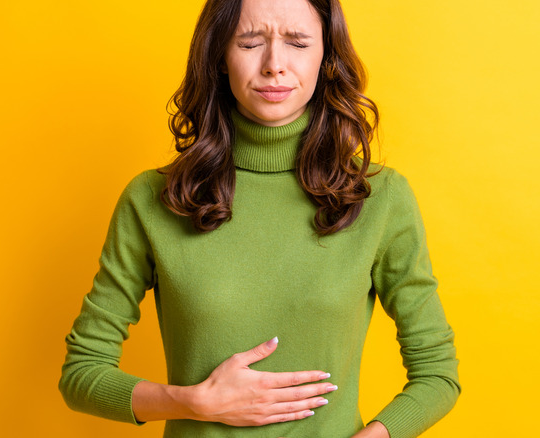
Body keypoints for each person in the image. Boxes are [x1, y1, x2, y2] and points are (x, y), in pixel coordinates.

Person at [58, 0, 460, 436]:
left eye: (298, 42)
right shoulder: (154, 199)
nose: (274, 65)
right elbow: (82, 374)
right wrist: (195, 402)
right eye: (250, 42)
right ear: (219, 58)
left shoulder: (379, 198)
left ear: (326, 57)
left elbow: (438, 373)